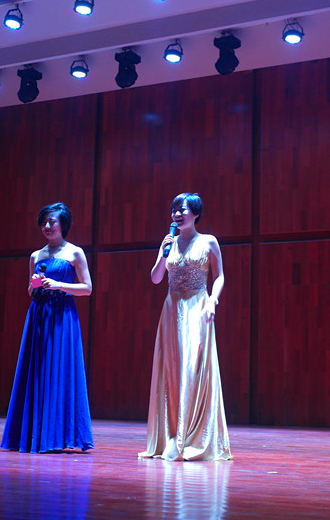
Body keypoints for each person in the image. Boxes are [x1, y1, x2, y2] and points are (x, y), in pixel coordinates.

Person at [139, 193, 232, 461]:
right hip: (172, 308)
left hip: (197, 307)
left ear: (196, 213)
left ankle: (193, 435)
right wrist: (163, 253)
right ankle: (171, 435)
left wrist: (213, 301)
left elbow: (219, 276)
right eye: (174, 210)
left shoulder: (208, 241)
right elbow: (156, 278)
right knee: (172, 368)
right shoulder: (168, 242)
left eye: (182, 210)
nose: (177, 214)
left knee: (193, 366)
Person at [1, 202, 94, 453]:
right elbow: (30, 291)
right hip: (39, 315)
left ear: (63, 224)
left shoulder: (75, 253)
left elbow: (87, 288)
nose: (47, 226)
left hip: (62, 315)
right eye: (44, 222)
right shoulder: (36, 256)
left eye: (52, 221)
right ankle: (32, 434)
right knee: (36, 370)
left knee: (60, 370)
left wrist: (58, 285)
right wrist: (36, 283)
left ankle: (57, 436)